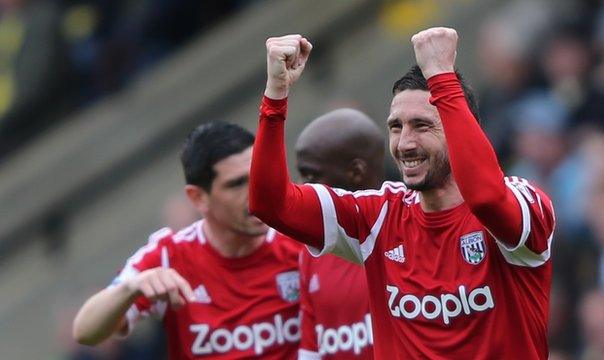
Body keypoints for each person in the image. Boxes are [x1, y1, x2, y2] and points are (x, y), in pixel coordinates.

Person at [250, 29, 555, 359]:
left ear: (460, 128)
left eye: (422, 126)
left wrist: (441, 75)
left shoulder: (525, 203)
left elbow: (484, 198)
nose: (405, 143)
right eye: (396, 127)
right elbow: (270, 204)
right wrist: (276, 96)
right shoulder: (377, 215)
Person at [73, 121, 302, 359]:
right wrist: (131, 288)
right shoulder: (169, 255)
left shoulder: (303, 239)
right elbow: (85, 332)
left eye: (258, 176)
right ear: (199, 197)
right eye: (236, 184)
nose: (256, 194)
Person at [295, 109, 384, 359]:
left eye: (311, 175)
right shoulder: (312, 250)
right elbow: (311, 351)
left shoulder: (408, 231)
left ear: (356, 172)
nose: (304, 187)